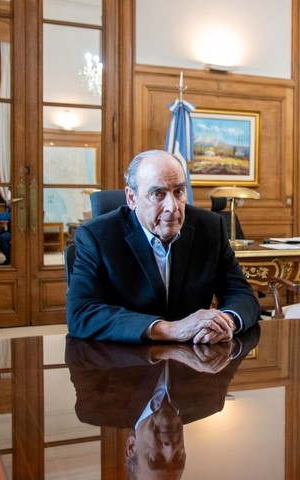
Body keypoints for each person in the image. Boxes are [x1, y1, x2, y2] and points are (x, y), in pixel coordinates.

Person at [66, 149, 261, 343]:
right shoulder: (97, 236)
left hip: (195, 360)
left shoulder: (209, 228)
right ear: (132, 198)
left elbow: (242, 295)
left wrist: (226, 322)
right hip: (124, 360)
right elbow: (82, 313)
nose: (172, 206)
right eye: (157, 194)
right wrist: (170, 329)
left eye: (179, 192)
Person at [65, 325, 260, 479]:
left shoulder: (97, 406)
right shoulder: (210, 401)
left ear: (131, 447)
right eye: (179, 458)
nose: (171, 447)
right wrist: (225, 322)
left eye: (156, 459)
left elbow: (84, 335)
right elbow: (239, 348)